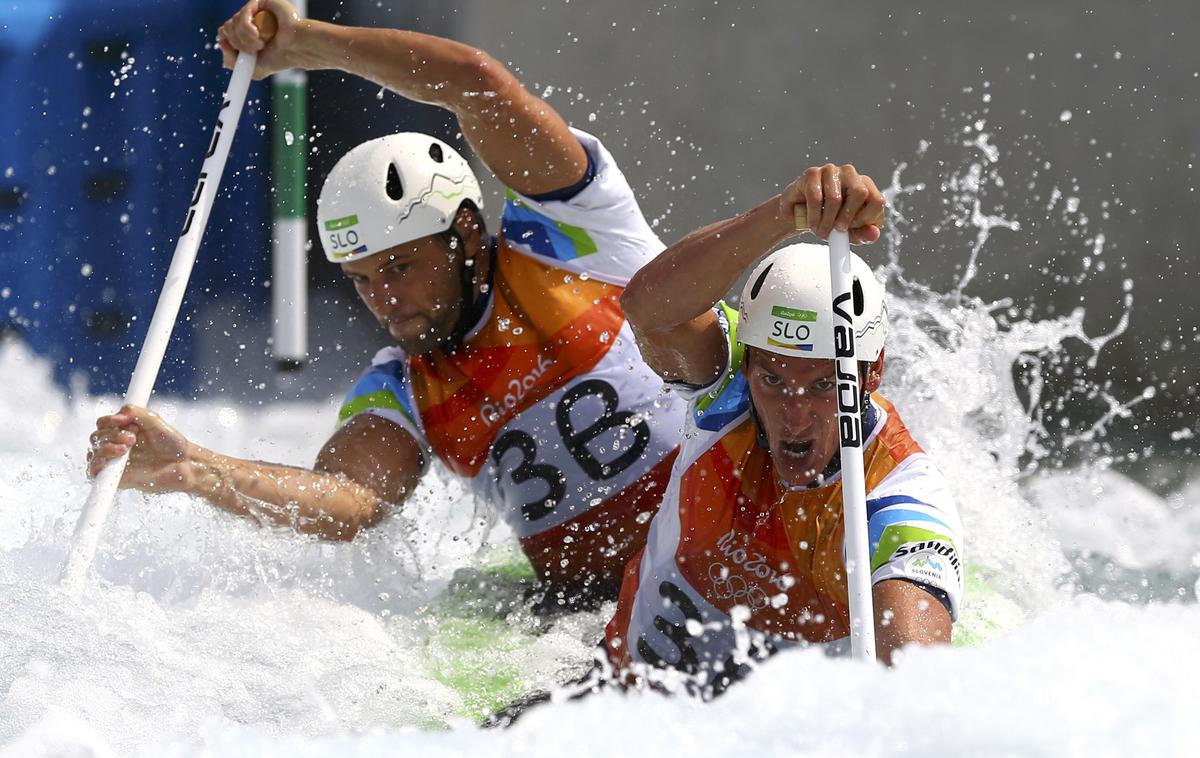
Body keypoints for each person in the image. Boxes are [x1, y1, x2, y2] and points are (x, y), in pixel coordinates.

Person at [87, 0, 685, 607]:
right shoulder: (404, 383)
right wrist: (200, 470)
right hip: (596, 606)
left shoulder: (572, 235)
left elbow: (475, 82)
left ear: (469, 232)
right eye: (361, 279)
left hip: (747, 543)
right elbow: (348, 496)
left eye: (401, 267)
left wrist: (307, 44)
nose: (385, 300)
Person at [602, 163, 965, 695]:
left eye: (822, 386)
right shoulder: (728, 395)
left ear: (873, 373)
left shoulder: (900, 501)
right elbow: (649, 309)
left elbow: (918, 690)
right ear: (747, 365)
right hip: (609, 712)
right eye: (773, 379)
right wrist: (783, 214)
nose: (793, 416)